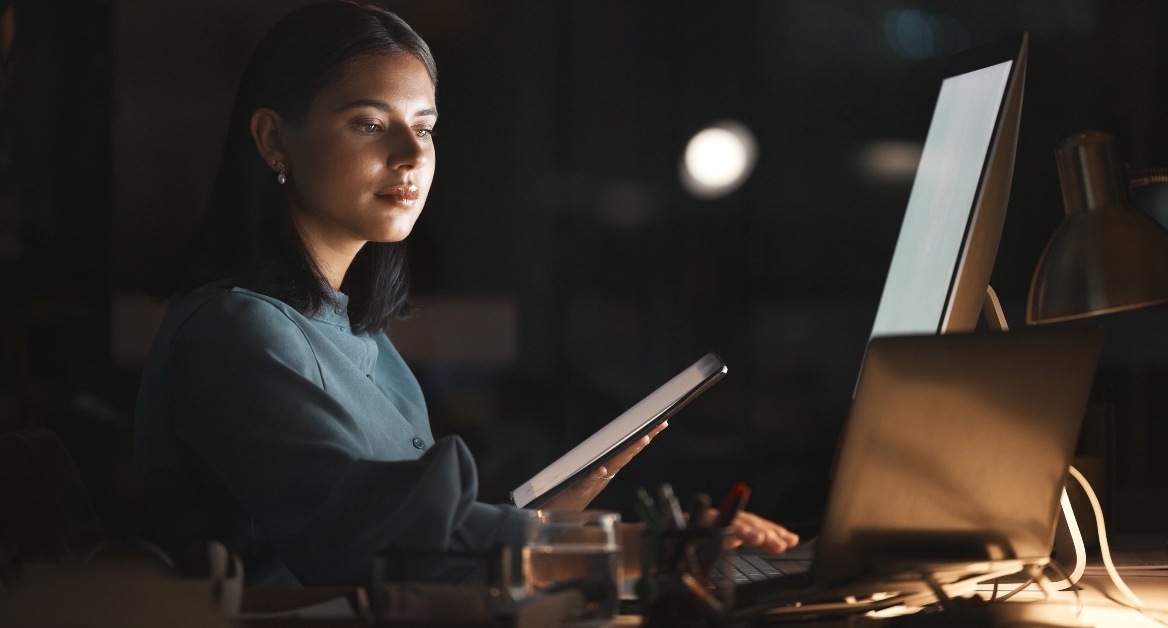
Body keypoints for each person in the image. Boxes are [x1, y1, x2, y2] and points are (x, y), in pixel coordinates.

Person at [134, 0, 798, 588]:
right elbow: (395, 551)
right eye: (369, 124)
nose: (411, 155)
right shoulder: (236, 331)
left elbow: (427, 542)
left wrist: (544, 519)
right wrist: (656, 548)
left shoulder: (360, 335)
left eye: (424, 127)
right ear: (273, 138)